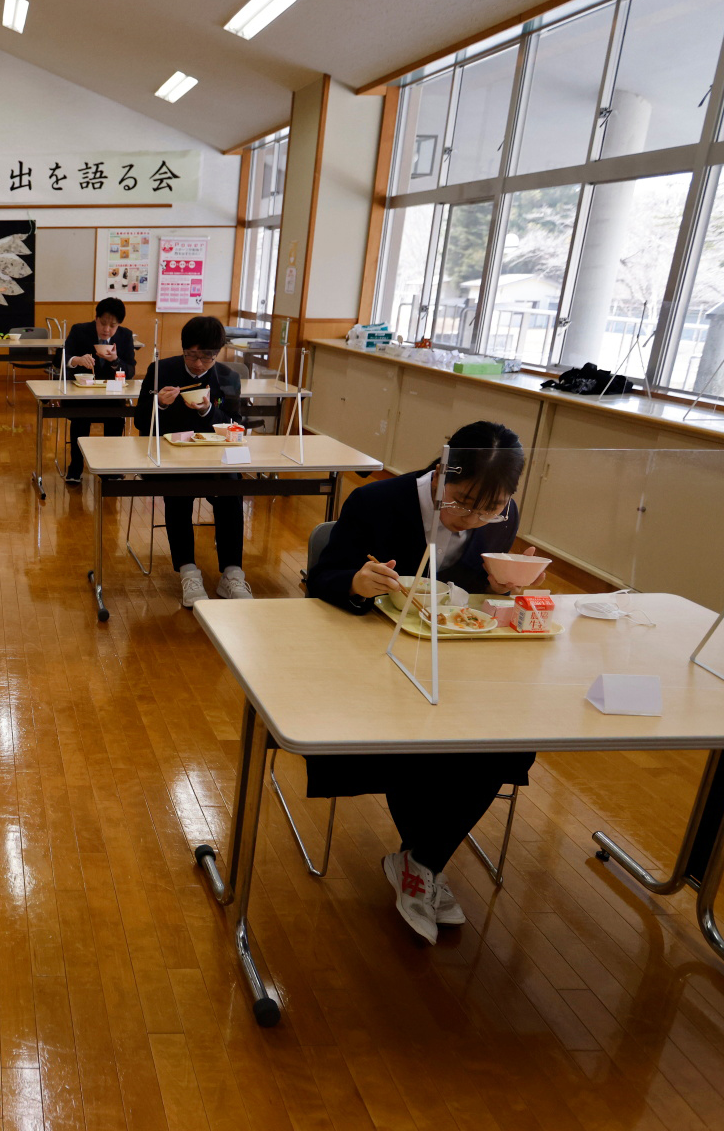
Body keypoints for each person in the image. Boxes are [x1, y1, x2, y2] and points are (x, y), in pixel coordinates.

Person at [302, 420, 540, 943]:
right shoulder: (377, 503)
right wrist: (356, 583)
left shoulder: (502, 517)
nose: (473, 518)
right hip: (373, 662)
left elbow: (474, 596)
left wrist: (504, 589)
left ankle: (420, 861)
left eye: (490, 508)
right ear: (440, 472)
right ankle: (423, 865)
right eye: (463, 501)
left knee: (510, 741)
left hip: (458, 665)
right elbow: (323, 578)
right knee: (420, 741)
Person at [134, 315, 249, 607]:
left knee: (232, 490)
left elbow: (235, 424)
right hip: (170, 458)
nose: (199, 363)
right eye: (192, 355)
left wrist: (208, 409)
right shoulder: (161, 370)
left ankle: (232, 573)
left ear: (217, 353)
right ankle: (188, 571)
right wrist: (159, 403)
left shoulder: (226, 377)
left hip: (215, 459)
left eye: (207, 356)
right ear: (184, 349)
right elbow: (139, 422)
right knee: (178, 492)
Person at [61, 297, 137, 485]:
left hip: (111, 395)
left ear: (119, 325)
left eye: (113, 326)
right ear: (96, 318)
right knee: (80, 418)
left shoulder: (125, 336)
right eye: (103, 323)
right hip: (81, 394)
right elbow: (60, 359)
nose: (106, 330)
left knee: (116, 418)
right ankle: (76, 466)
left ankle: (110, 467)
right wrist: (77, 360)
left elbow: (131, 371)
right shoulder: (80, 331)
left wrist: (115, 361)